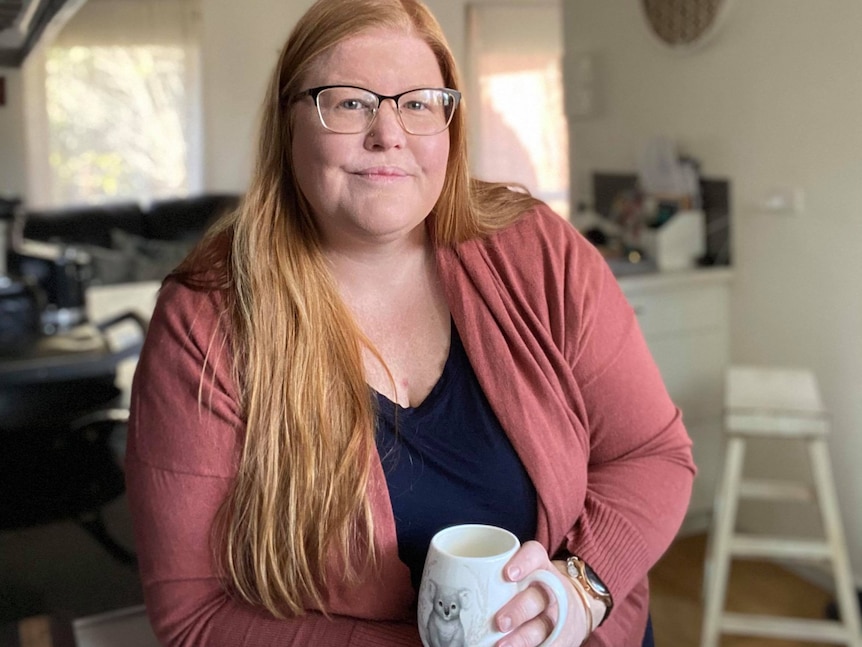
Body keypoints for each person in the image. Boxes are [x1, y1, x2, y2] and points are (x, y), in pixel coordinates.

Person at [124, 0, 696, 645]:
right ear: (288, 124)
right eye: (349, 102)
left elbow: (651, 454)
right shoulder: (207, 321)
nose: (388, 133)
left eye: (419, 102)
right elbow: (194, 615)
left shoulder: (539, 252)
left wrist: (581, 590)